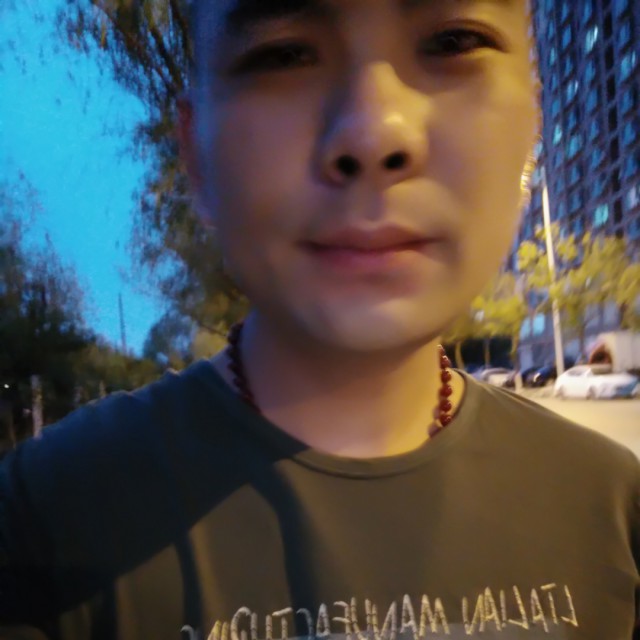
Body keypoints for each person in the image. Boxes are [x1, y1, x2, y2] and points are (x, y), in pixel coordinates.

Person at [1, 0, 638, 638]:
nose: (374, 133)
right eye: (283, 54)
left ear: (533, 123)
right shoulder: (40, 521)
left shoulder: (613, 510)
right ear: (196, 157)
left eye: (453, 42)